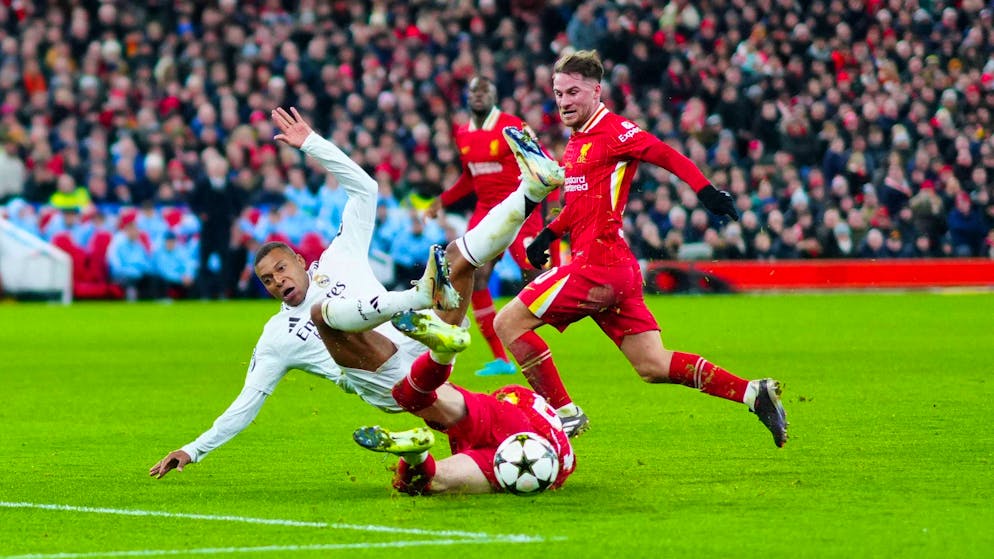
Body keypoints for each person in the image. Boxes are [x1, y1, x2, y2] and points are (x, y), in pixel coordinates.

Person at [150, 107, 568, 494]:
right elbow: (246, 404)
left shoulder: (339, 256)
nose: (277, 282)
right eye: (266, 280)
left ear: (300, 260)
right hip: (385, 379)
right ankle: (419, 297)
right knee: (322, 316)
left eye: (280, 269)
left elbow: (365, 190)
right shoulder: (277, 336)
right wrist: (194, 448)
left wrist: (312, 143)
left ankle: (530, 190)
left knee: (459, 257)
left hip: (418, 342)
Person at [492, 50, 788, 447]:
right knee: (652, 364)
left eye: (573, 92)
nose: (564, 101)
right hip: (614, 268)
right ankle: (754, 393)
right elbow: (580, 204)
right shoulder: (576, 142)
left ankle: (564, 412)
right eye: (558, 93)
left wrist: (706, 192)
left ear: (596, 91)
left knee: (506, 323)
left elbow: (664, 153)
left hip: (596, 265)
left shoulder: (615, 131)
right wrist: (548, 235)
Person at [427, 76, 545, 377]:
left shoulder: (513, 125)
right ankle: (501, 359)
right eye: (474, 91)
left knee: (535, 271)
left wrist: (544, 211)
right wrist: (443, 200)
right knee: (473, 274)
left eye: (485, 90)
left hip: (519, 210)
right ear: (468, 97)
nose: (479, 95)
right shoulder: (463, 132)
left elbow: (542, 164)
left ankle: (567, 316)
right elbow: (471, 177)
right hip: (485, 213)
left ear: (493, 95)